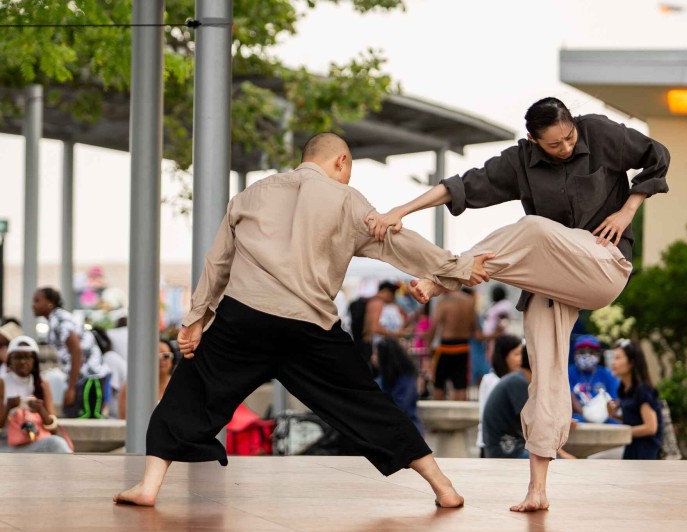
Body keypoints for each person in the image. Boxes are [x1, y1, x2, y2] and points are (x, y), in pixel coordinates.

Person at [113, 132, 494, 507]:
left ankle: (148, 486)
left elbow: (218, 263)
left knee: (189, 390)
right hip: (309, 325)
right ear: (340, 162)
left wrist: (194, 320)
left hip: (244, 318)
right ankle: (442, 486)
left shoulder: (252, 194)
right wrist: (459, 267)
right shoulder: (346, 199)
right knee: (365, 402)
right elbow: (398, 242)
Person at [366, 96, 669, 511]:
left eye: (568, 139)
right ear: (532, 140)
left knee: (531, 229)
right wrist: (401, 209)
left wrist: (628, 209)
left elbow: (657, 156)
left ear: (572, 124)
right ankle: (537, 489)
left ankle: (442, 278)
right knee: (544, 374)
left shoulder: (599, 132)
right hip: (553, 277)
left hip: (603, 264)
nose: (564, 148)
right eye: (553, 145)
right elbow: (463, 186)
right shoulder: (521, 161)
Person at [32, 287, 112, 418]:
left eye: (37, 300)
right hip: (82, 377)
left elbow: (76, 352)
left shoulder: (59, 320)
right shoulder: (56, 319)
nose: (33, 305)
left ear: (50, 303)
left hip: (89, 377)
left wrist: (71, 388)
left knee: (84, 419)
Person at [0, 336, 72, 453]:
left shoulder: (42, 383)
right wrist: (8, 407)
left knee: (56, 443)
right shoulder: (2, 382)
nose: (23, 361)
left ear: (34, 361)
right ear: (9, 361)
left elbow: (53, 428)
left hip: (34, 440)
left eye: (28, 357)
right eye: (18, 357)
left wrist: (40, 409)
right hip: (7, 443)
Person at [607, 339, 662, 459]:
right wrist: (614, 415)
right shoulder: (624, 389)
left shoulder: (643, 390)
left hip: (645, 455)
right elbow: (635, 419)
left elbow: (651, 427)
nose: (613, 363)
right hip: (631, 449)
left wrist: (622, 433)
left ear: (631, 362)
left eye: (617, 358)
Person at [427, 287, 479, 401]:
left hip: (446, 347)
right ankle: (462, 416)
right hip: (463, 347)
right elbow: (475, 330)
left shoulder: (444, 302)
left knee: (439, 384)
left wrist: (428, 346)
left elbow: (434, 326)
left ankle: (437, 414)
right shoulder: (470, 301)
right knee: (461, 385)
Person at [477, 334, 522, 456]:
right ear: (504, 356)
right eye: (516, 354)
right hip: (494, 443)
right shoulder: (491, 380)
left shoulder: (518, 380)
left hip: (512, 442)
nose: (521, 359)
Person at [118, 338, 177, 420]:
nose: (160, 359)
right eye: (155, 355)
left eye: (166, 356)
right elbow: (124, 419)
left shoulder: (179, 386)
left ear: (173, 359)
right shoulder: (131, 387)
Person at [373, 338, 423, 435]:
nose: (373, 358)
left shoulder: (406, 379)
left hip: (406, 428)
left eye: (376, 354)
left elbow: (400, 407)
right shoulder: (383, 378)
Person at [568, 334, 619, 422]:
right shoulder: (568, 372)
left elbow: (615, 400)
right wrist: (586, 416)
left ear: (598, 354)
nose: (586, 355)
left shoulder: (607, 374)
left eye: (591, 352)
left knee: (614, 424)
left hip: (604, 417)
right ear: (575, 353)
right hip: (579, 416)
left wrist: (607, 412)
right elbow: (570, 396)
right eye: (581, 351)